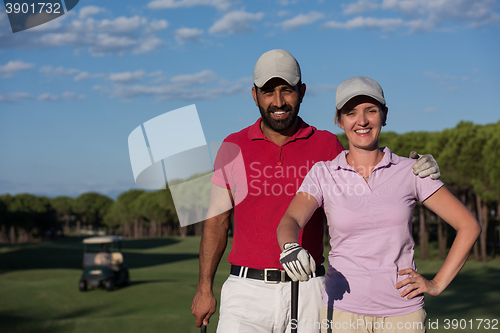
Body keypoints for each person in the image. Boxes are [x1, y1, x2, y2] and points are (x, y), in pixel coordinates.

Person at [191, 50, 440, 333]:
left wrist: (414, 169)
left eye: (287, 90)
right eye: (268, 92)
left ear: (302, 91)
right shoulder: (232, 146)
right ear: (254, 95)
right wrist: (204, 289)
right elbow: (216, 222)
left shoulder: (327, 145)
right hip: (247, 292)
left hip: (310, 291)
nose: (278, 101)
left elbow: (372, 185)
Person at [277, 76, 481, 333]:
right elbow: (291, 220)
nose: (361, 121)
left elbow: (468, 226)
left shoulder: (411, 171)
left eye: (371, 111)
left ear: (384, 116)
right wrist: (289, 246)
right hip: (342, 313)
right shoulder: (324, 173)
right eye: (351, 113)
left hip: (403, 315)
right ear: (339, 120)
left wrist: (437, 284)